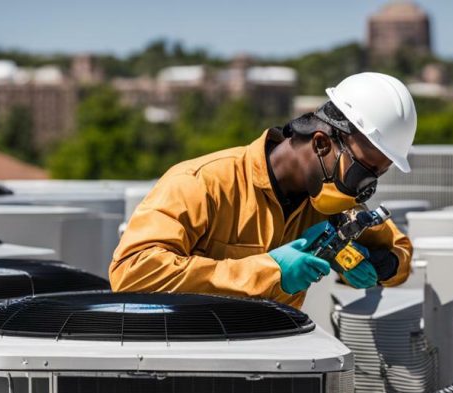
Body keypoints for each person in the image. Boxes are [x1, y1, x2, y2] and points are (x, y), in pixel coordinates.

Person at [111, 72, 417, 308]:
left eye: (376, 176)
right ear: (322, 143)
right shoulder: (201, 183)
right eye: (362, 171)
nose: (365, 189)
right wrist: (269, 271)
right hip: (192, 361)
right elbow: (132, 273)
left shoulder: (331, 204)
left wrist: (381, 265)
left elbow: (399, 249)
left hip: (276, 361)